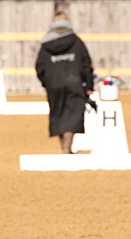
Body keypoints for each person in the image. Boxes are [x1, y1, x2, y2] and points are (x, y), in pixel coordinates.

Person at [35, 12, 94, 154]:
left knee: (58, 113)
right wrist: (89, 85)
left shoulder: (46, 44)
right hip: (74, 82)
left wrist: (47, 83)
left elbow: (40, 67)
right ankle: (67, 146)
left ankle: (64, 147)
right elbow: (87, 64)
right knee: (73, 113)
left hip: (54, 84)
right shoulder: (76, 41)